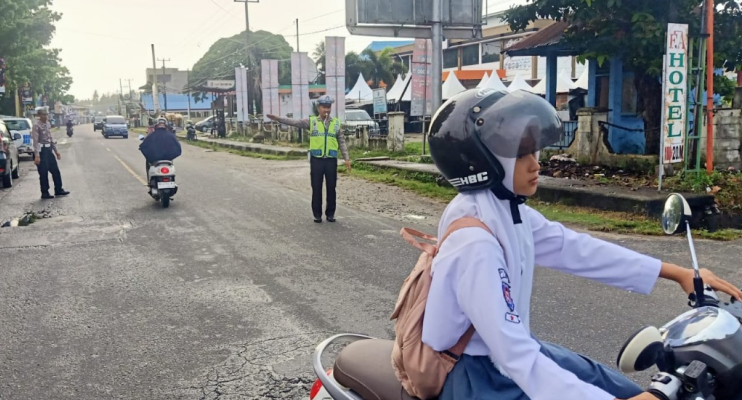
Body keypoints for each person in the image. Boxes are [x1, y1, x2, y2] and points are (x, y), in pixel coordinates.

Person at [422, 88, 742, 400]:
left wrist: (677, 273)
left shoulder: (503, 210)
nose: (536, 163)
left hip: (509, 356)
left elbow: (575, 248)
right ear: (479, 164)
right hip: (479, 376)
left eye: (533, 151)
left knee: (621, 388)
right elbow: (513, 355)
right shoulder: (474, 245)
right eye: (520, 155)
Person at [267, 95, 351, 223]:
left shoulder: (336, 123)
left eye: (328, 107)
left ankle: (330, 214)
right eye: (324, 107)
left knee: (331, 188)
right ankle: (317, 214)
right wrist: (278, 119)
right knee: (316, 187)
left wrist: (346, 158)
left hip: (331, 160)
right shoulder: (312, 122)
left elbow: (342, 141)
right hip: (316, 160)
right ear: (318, 108)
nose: (326, 110)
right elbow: (294, 122)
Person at [32, 107, 69, 199]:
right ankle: (45, 192)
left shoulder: (47, 124)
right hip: (41, 151)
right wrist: (37, 155)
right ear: (39, 115)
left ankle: (58, 189)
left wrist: (56, 151)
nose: (46, 116)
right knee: (43, 173)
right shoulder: (36, 125)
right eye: (44, 114)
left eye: (46, 114)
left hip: (49, 151)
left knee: (55, 170)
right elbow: (35, 141)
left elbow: (50, 139)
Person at [139, 117, 182, 184]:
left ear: (156, 126)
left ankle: (149, 182)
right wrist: (170, 156)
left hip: (155, 160)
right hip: (168, 160)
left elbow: (143, 146)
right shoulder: (171, 135)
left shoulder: (151, 136)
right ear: (166, 126)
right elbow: (178, 148)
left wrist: (150, 156)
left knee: (148, 163)